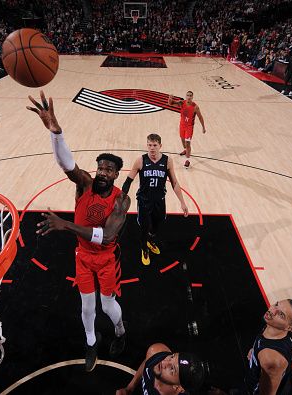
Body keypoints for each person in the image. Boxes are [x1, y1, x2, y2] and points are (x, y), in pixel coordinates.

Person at [28, 90, 128, 372]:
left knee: (108, 306)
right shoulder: (84, 183)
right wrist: (56, 132)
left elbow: (107, 236)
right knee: (87, 307)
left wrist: (65, 224)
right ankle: (91, 343)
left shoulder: (121, 199)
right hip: (83, 256)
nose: (102, 172)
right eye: (100, 167)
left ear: (116, 174)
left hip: (107, 258)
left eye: (108, 169)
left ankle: (120, 331)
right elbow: (65, 163)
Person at [122, 133, 189, 265]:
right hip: (144, 201)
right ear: (147, 145)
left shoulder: (167, 161)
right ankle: (144, 249)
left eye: (154, 145)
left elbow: (174, 183)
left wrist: (182, 202)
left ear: (160, 146)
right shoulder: (140, 160)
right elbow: (128, 181)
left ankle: (150, 240)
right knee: (144, 227)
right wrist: (121, 198)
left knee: (158, 224)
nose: (152, 148)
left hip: (159, 200)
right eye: (149, 145)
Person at [245, 299, 292, 395]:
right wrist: (254, 350)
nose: (272, 311)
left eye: (281, 314)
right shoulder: (275, 327)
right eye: (276, 304)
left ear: (289, 327)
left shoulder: (270, 359)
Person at [116, 343, 206, 395]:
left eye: (172, 369)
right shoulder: (156, 352)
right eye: (172, 357)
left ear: (178, 388)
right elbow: (148, 361)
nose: (163, 362)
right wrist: (129, 388)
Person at [168, 91, 206, 169]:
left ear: (192, 97)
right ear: (185, 96)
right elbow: (170, 103)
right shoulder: (182, 103)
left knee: (187, 143)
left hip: (189, 127)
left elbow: (200, 117)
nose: (189, 97)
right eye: (187, 95)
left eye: (190, 96)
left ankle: (187, 160)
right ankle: (185, 150)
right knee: (183, 141)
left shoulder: (195, 107)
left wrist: (203, 127)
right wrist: (170, 98)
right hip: (182, 125)